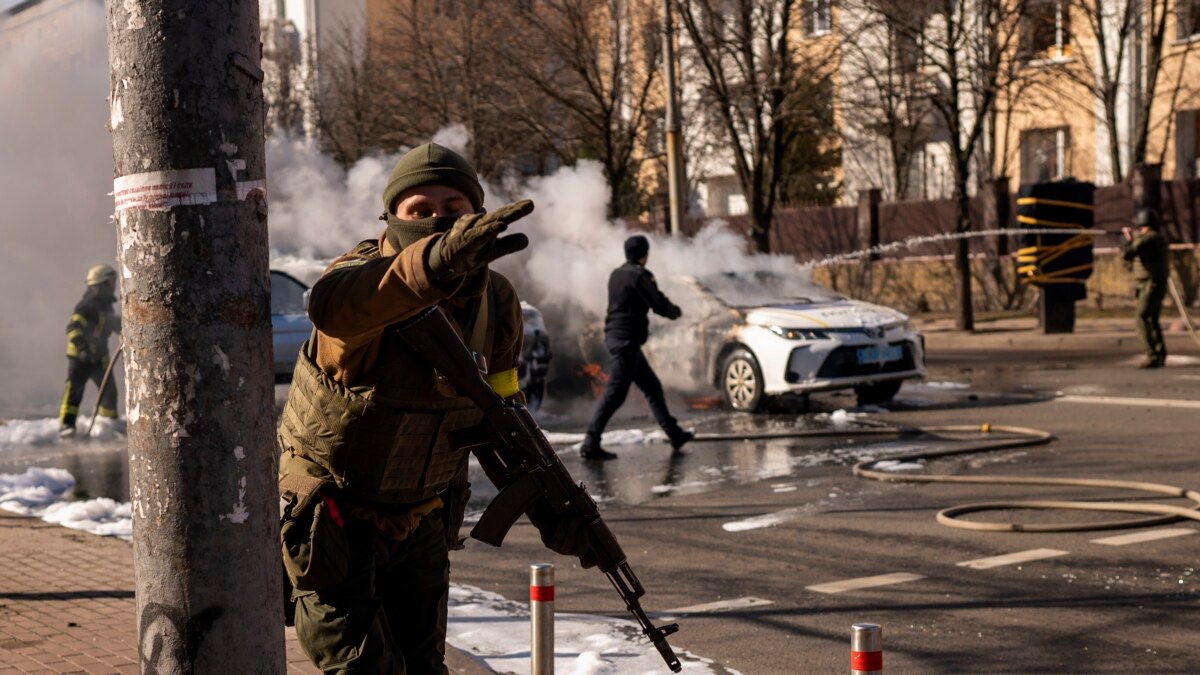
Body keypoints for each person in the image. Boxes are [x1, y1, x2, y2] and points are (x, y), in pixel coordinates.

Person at [276, 143, 589, 674]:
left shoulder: (498, 301)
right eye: (419, 210)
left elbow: (502, 411)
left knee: (424, 668)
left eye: (454, 206)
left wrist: (553, 509)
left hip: (422, 516)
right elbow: (332, 306)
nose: (439, 218)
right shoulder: (359, 279)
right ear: (391, 218)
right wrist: (433, 263)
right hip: (334, 522)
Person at [580, 235, 693, 460]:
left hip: (618, 338)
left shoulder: (616, 274)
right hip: (626, 342)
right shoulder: (640, 276)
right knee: (614, 395)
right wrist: (676, 311)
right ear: (644, 254)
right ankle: (590, 443)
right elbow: (659, 304)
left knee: (652, 387)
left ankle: (675, 434)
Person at [58, 264, 121, 438]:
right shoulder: (85, 305)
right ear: (100, 283)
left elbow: (109, 323)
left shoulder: (106, 306)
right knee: (74, 391)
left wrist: (124, 326)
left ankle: (107, 425)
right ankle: (66, 426)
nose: (114, 284)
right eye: (111, 281)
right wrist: (83, 348)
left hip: (99, 357)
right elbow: (72, 328)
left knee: (109, 391)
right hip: (81, 357)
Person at [1122, 208, 1170, 368]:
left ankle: (1152, 354)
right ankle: (1158, 353)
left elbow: (1129, 252)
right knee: (1151, 319)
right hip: (1150, 283)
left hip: (1151, 284)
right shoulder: (1153, 237)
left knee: (1141, 318)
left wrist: (1128, 239)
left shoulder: (1150, 238)